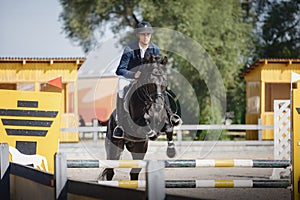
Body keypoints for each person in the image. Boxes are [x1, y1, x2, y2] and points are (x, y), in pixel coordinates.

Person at [113, 21, 181, 138]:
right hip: (130, 78)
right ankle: (119, 124)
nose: (146, 37)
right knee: (120, 89)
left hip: (147, 79)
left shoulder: (155, 49)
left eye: (148, 34)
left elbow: (159, 67)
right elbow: (119, 70)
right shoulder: (129, 49)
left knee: (160, 88)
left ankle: (170, 115)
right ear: (138, 35)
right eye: (143, 34)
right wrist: (133, 74)